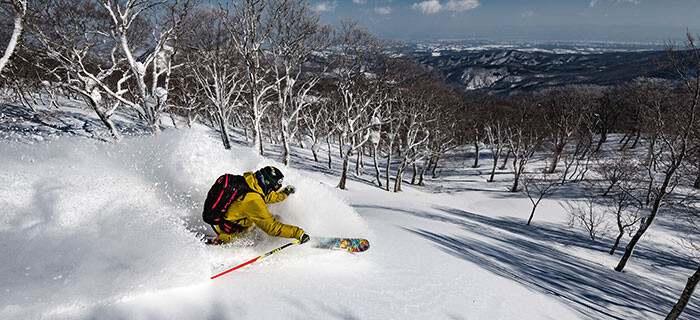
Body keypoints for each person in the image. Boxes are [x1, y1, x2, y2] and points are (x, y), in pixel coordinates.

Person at [209, 166, 310, 245]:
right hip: (233, 234)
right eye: (273, 188)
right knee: (273, 223)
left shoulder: (251, 184)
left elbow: (267, 197)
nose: (273, 191)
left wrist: (285, 193)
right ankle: (222, 240)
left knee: (275, 218)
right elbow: (272, 228)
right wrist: (298, 233)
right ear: (267, 183)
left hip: (229, 224)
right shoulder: (253, 201)